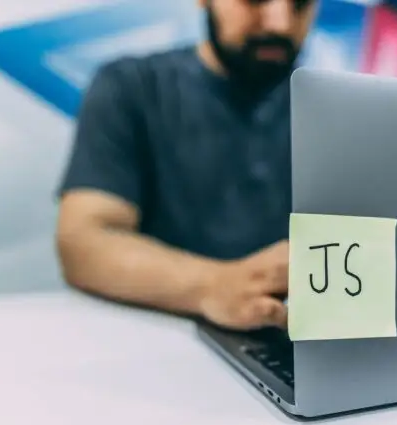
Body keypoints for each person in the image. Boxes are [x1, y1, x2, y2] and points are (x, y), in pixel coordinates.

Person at [56, 0, 317, 331]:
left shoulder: (335, 108)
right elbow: (83, 241)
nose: (280, 22)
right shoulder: (130, 85)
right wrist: (214, 285)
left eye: (301, 4)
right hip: (161, 342)